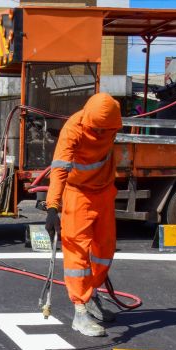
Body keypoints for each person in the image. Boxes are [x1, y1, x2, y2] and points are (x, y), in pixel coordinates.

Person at [45, 93, 123, 337]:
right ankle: (79, 311)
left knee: (105, 249)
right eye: (97, 130)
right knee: (77, 252)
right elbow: (59, 170)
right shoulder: (74, 129)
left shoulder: (112, 123)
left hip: (104, 192)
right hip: (78, 194)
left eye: (105, 131)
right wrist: (52, 207)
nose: (100, 135)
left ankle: (92, 295)